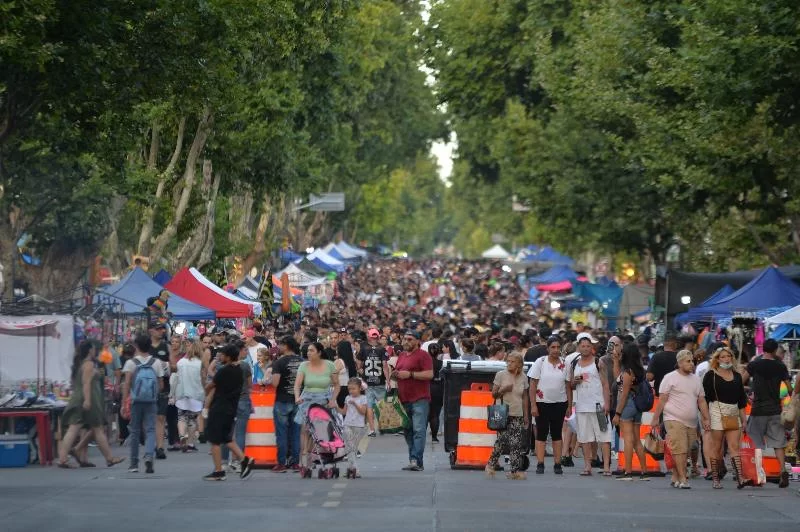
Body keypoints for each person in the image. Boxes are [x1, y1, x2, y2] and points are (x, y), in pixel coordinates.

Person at [58, 341, 125, 469]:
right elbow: (86, 383)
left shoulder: (83, 364)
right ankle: (109, 458)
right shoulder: (88, 365)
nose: (96, 351)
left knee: (86, 429)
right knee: (91, 429)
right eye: (94, 349)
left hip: (82, 399)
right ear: (89, 351)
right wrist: (87, 400)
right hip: (85, 400)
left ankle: (65, 457)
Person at [651, 350, 710, 489]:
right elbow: (662, 400)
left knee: (687, 450)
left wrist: (706, 419)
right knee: (680, 449)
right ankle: (683, 479)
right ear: (679, 363)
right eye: (688, 361)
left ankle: (676, 475)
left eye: (692, 361)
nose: (691, 364)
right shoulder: (670, 378)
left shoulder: (696, 379)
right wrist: (654, 419)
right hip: (673, 418)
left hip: (692, 421)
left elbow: (701, 401)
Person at [741, 338, 793, 488]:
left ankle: (757, 473)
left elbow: (741, 381)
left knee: (756, 443)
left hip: (758, 410)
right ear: (775, 349)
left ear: (763, 348)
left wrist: (746, 396)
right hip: (775, 409)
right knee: (778, 443)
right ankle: (783, 470)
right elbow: (789, 388)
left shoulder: (754, 364)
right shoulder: (780, 366)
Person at [203, 343, 255, 481]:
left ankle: (219, 470)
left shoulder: (224, 371)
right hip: (231, 407)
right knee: (227, 438)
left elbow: (209, 386)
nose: (220, 357)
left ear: (228, 356)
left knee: (214, 440)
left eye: (222, 355)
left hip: (219, 407)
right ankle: (244, 460)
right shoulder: (240, 370)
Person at [702, 346, 749, 489]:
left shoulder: (737, 376)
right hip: (716, 411)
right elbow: (704, 398)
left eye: (728, 356)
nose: (726, 359)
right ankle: (716, 478)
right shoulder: (711, 375)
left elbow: (741, 400)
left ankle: (740, 478)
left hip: (733, 412)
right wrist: (706, 418)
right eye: (722, 357)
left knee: (734, 446)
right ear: (717, 359)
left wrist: (744, 419)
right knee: (717, 447)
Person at [293, 342, 339, 476]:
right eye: (307, 351)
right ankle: (305, 459)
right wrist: (297, 397)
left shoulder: (329, 365)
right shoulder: (303, 365)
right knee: (305, 430)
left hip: (324, 399)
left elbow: (336, 385)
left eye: (312, 351)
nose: (308, 353)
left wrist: (332, 400)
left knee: (322, 432)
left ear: (319, 352)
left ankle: (320, 459)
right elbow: (297, 385)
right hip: (307, 398)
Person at [570, 332, 613, 476]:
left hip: (598, 406)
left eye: (588, 346)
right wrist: (574, 383)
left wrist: (607, 404)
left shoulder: (598, 362)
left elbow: (605, 384)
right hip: (582, 406)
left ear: (591, 347)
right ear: (579, 347)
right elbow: (571, 384)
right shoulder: (575, 363)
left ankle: (606, 466)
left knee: (604, 437)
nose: (586, 348)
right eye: (583, 346)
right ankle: (587, 466)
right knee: (584, 437)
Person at [122, 333, 165, 474]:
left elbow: (127, 384)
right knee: (151, 429)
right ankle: (148, 456)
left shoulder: (131, 363)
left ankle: (134, 463)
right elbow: (161, 384)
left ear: (136, 346)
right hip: (151, 401)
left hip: (136, 401)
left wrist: (124, 402)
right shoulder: (157, 363)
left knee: (135, 431)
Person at [528, 335, 571, 474]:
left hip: (560, 403)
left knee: (557, 434)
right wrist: (533, 405)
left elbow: (568, 386)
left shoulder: (565, 364)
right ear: (547, 348)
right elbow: (532, 384)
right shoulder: (540, 362)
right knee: (541, 433)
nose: (555, 350)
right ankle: (540, 463)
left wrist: (569, 406)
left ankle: (557, 464)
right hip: (542, 403)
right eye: (553, 347)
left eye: (558, 347)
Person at [485, 353, 530, 480]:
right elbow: (494, 395)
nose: (509, 363)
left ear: (519, 364)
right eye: (508, 361)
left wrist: (526, 415)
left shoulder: (524, 378)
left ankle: (514, 471)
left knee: (516, 443)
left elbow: (525, 397)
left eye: (512, 361)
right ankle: (491, 464)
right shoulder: (500, 375)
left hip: (517, 413)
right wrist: (503, 389)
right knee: (502, 440)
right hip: (503, 413)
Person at [394, 331, 433, 471]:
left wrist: (410, 374)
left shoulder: (424, 355)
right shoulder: (402, 355)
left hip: (419, 399)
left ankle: (417, 460)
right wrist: (396, 375)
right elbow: (400, 373)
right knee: (408, 431)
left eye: (409, 339)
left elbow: (429, 374)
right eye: (404, 339)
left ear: (417, 341)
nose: (406, 342)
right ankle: (413, 459)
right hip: (404, 399)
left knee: (418, 430)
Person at [610, 343, 649, 481]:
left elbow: (624, 393)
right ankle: (644, 472)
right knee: (637, 439)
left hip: (627, 405)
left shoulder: (627, 372)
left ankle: (628, 471)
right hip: (637, 406)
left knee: (627, 439)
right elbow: (617, 380)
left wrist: (617, 413)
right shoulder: (638, 371)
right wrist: (616, 361)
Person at [271, 335, 303, 472]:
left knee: (282, 433)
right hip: (298, 400)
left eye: (280, 344)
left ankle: (281, 463)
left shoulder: (279, 362)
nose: (278, 347)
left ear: (286, 346)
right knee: (296, 433)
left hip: (282, 401)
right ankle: (296, 463)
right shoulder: (302, 362)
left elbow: (275, 383)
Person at [221, 339, 253, 471]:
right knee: (240, 433)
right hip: (243, 399)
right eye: (245, 349)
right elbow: (250, 384)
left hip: (228, 400)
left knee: (226, 432)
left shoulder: (224, 367)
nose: (247, 352)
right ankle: (238, 461)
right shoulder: (245, 366)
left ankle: (223, 462)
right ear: (239, 351)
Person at [357, 328, 390, 437]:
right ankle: (381, 427)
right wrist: (388, 381)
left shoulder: (363, 349)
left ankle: (371, 429)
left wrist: (360, 369)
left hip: (368, 382)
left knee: (370, 406)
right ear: (378, 336)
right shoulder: (382, 349)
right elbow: (385, 365)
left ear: (369, 336)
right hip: (380, 381)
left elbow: (358, 362)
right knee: (381, 405)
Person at [173, 340, 205, 452]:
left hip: (181, 392)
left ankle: (182, 436)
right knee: (192, 419)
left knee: (181, 417)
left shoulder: (180, 362)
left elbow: (176, 378)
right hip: (195, 394)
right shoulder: (199, 363)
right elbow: (203, 379)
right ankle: (190, 443)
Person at [337, 377, 369, 478]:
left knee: (353, 449)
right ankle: (355, 469)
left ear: (359, 388)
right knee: (349, 448)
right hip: (347, 424)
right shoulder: (347, 398)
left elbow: (363, 412)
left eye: (353, 389)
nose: (351, 391)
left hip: (359, 426)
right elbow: (344, 412)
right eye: (349, 389)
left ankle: (352, 468)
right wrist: (335, 406)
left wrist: (355, 403)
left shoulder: (363, 398)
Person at [646, 331, 679, 397]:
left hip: (660, 393)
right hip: (677, 394)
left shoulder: (656, 356)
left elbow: (649, 377)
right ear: (675, 344)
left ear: (664, 343)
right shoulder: (680, 357)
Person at [427, 343, 445, 443]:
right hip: (438, 390)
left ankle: (421, 436)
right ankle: (434, 437)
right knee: (435, 414)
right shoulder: (442, 364)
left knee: (425, 414)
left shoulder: (425, 363)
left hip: (426, 389)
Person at [335, 341, 358, 408]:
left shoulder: (339, 361)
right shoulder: (352, 361)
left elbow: (332, 375)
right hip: (350, 388)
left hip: (340, 389)